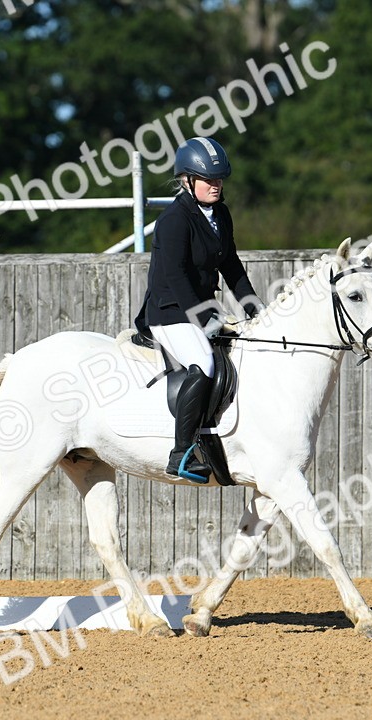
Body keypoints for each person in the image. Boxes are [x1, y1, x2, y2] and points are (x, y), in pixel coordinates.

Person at [134, 137, 264, 483]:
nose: (216, 185)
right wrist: (207, 316)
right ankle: (181, 453)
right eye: (208, 180)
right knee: (204, 363)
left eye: (220, 179)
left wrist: (255, 310)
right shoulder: (174, 220)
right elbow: (175, 276)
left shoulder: (220, 213)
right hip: (169, 312)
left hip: (200, 309)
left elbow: (231, 266)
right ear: (187, 181)